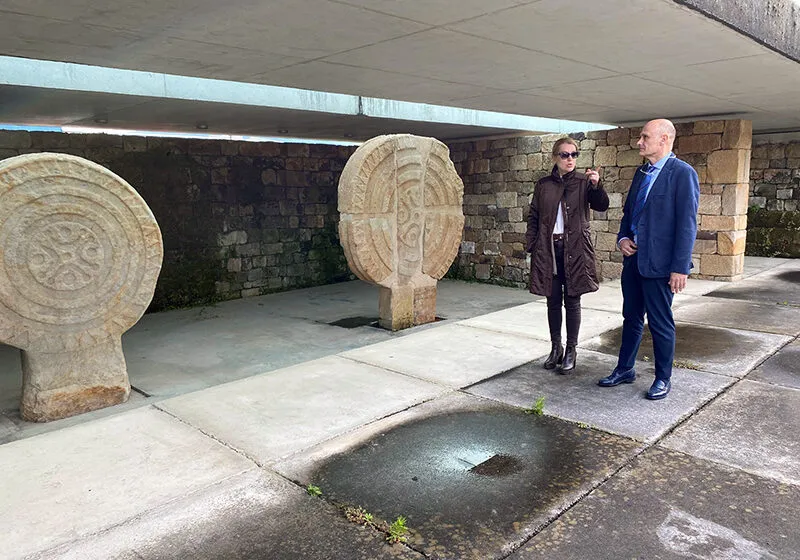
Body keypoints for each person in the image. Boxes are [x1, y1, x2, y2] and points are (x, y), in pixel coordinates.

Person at [597, 119, 699, 399]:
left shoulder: (682, 174)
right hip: (634, 261)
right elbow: (630, 213)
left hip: (661, 266)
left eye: (644, 137)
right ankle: (625, 369)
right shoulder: (642, 172)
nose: (639, 142)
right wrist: (622, 238)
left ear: (664, 139)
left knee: (659, 322)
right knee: (630, 317)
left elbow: (687, 224)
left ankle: (663, 378)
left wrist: (680, 268)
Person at [526, 137, 609, 372]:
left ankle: (571, 350)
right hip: (549, 248)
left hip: (574, 249)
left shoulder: (584, 182)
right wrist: (531, 244)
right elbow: (534, 215)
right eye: (565, 155)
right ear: (555, 157)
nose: (570, 159)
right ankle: (556, 348)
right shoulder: (543, 185)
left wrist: (597, 185)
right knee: (552, 300)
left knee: (572, 300)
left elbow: (601, 205)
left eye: (574, 154)